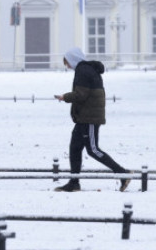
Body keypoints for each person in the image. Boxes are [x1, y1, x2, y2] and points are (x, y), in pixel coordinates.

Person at [53, 46, 131, 192]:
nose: (67, 66)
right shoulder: (86, 69)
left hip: (89, 117)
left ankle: (123, 173)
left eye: (67, 62)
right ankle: (74, 183)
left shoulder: (83, 71)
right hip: (84, 117)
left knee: (93, 150)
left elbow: (81, 95)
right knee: (75, 148)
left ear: (73, 59)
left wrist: (65, 97)